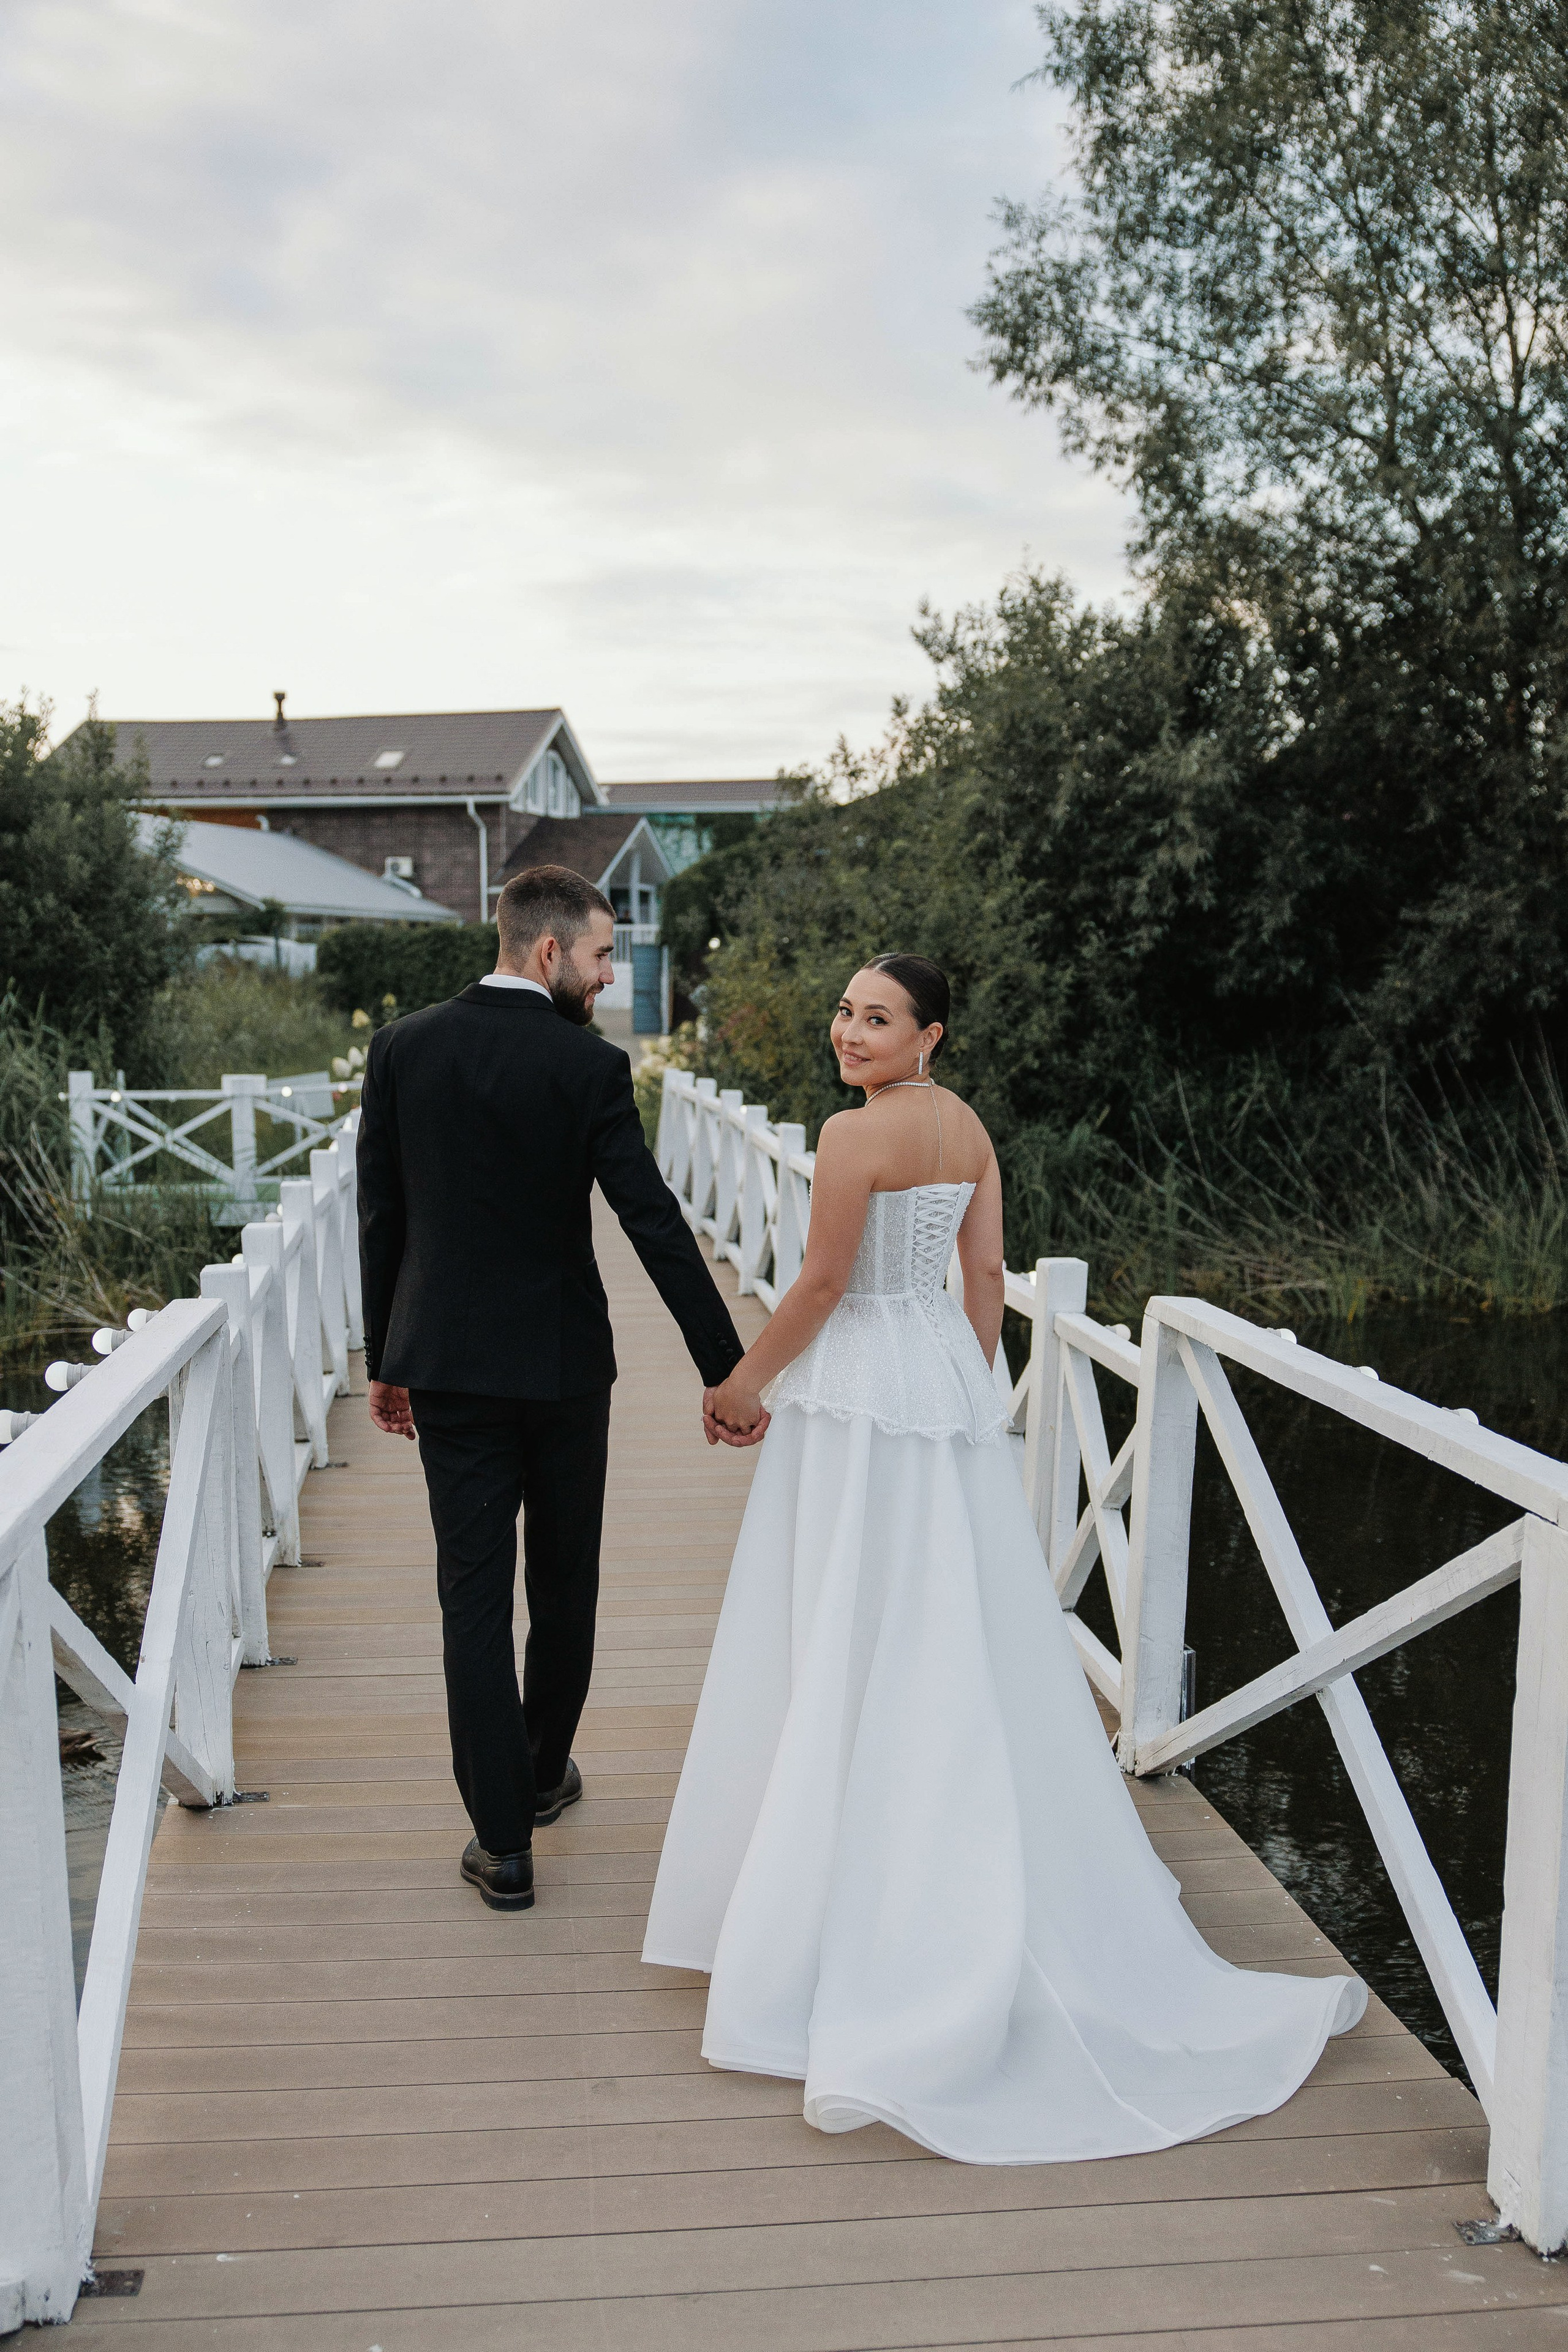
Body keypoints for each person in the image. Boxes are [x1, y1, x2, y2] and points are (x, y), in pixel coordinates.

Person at [644, 952, 1365, 2163]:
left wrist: (741, 1383)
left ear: (929, 1035)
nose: (849, 1033)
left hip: (858, 1390)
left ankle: (831, 1901)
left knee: (840, 1612)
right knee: (951, 1619)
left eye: (877, 1019)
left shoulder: (852, 1136)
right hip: (937, 1377)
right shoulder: (968, 1128)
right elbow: (981, 1277)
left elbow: (822, 1282)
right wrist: (969, 1384)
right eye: (845, 1013)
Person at [356, 864, 758, 1913]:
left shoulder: (401, 1049)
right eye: (601, 955)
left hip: (448, 1366)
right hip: (567, 1367)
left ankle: (503, 1844)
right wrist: (725, 1366)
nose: (609, 974)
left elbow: (382, 1214)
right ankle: (540, 1775)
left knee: (473, 1594)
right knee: (566, 1580)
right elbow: (651, 1218)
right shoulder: (589, 1065)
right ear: (549, 952)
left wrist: (384, 1355)